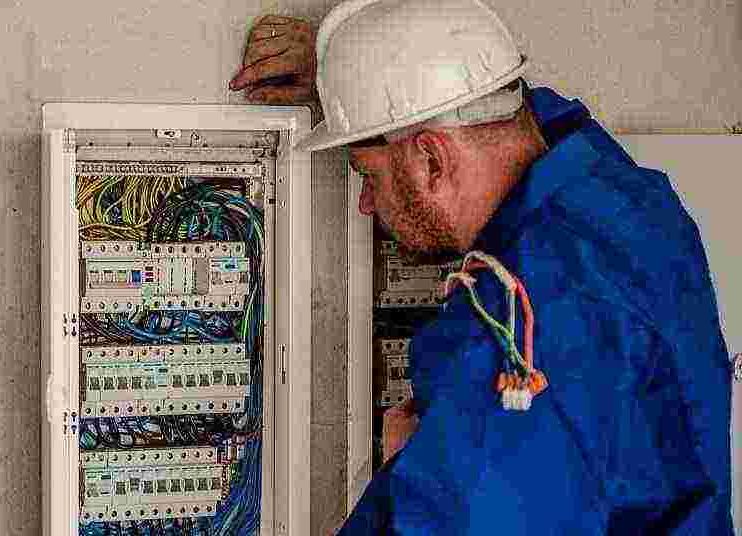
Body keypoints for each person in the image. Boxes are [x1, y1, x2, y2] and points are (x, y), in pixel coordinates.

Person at [230, 0, 733, 534]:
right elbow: (516, 107)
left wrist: (409, 468)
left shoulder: (523, 326)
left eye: (366, 175)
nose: (366, 203)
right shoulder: (625, 198)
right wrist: (357, 77)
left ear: (432, 159)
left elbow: (462, 517)